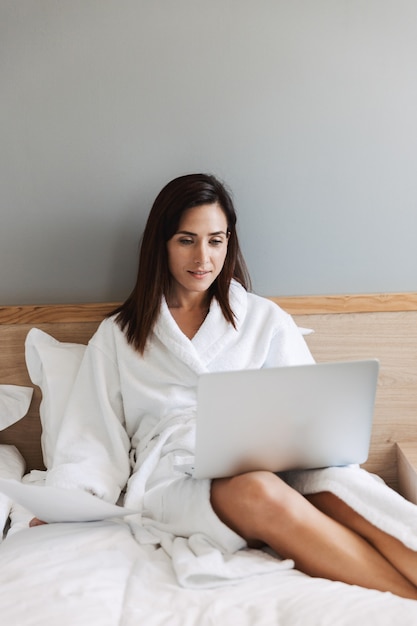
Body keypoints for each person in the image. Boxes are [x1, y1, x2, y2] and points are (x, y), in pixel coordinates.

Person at [34, 173, 417, 599]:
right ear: (161, 243)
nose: (203, 257)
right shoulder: (119, 335)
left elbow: (312, 412)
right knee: (258, 489)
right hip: (175, 482)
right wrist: (64, 504)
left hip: (273, 464)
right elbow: (93, 435)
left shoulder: (264, 319)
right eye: (186, 240)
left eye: (216, 240)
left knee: (343, 488)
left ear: (229, 242)